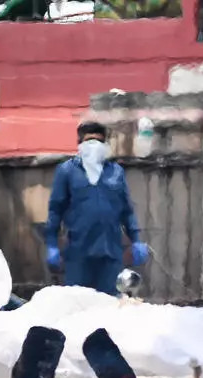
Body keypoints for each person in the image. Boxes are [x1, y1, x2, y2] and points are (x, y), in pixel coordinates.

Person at [43, 121, 150, 296]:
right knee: (78, 304)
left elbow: (127, 210)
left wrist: (136, 239)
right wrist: (52, 245)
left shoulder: (116, 172)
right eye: (89, 140)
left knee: (109, 304)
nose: (94, 145)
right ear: (80, 144)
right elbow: (55, 210)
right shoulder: (67, 171)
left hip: (110, 252)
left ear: (105, 145)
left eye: (99, 141)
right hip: (78, 252)